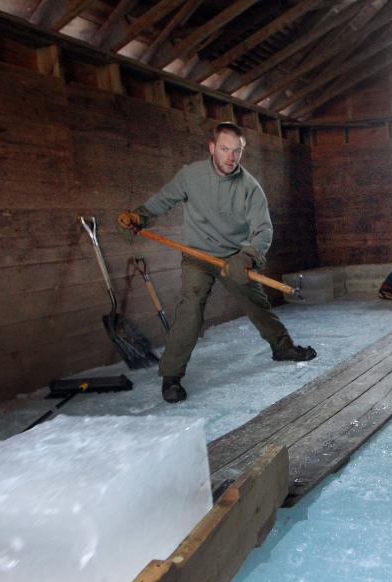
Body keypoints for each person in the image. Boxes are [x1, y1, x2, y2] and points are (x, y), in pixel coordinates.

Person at [117, 122, 316, 404]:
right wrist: (139, 216)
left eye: (237, 151)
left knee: (255, 302)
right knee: (190, 307)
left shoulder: (249, 188)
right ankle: (171, 376)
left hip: (234, 258)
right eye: (225, 149)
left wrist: (247, 256)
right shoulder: (191, 175)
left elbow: (263, 230)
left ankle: (282, 348)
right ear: (212, 148)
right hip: (197, 255)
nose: (231, 157)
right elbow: (163, 200)